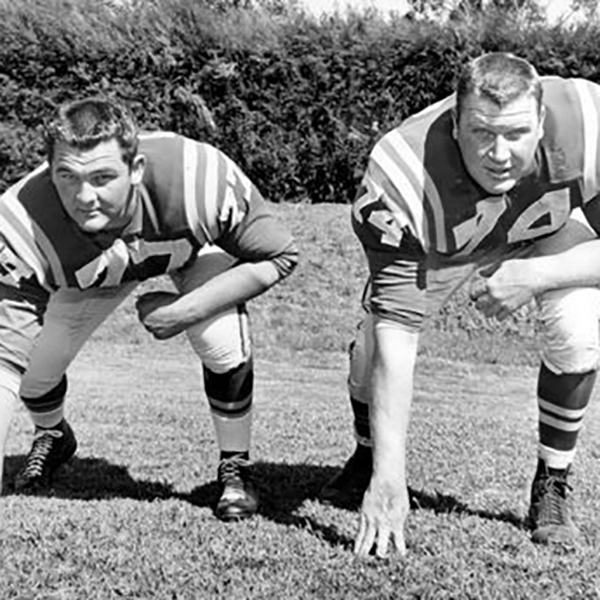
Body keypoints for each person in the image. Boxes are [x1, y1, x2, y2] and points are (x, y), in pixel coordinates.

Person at [319, 52, 600, 557]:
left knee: (580, 331)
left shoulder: (588, 120)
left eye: (515, 134)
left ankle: (552, 482)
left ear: (542, 122)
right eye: (480, 133)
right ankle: (368, 455)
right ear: (454, 123)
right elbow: (398, 334)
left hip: (545, 228)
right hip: (444, 242)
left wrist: (538, 273)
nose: (498, 154)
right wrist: (391, 477)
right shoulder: (401, 174)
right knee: (370, 350)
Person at [0, 97, 298, 521]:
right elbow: (2, 359)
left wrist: (183, 311)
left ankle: (236, 465)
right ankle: (53, 434)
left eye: (103, 177)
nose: (85, 196)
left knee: (217, 332)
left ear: (136, 170)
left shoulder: (197, 179)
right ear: (50, 173)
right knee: (32, 366)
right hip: (96, 270)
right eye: (67, 177)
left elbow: (279, 255)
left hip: (192, 251)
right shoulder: (22, 220)